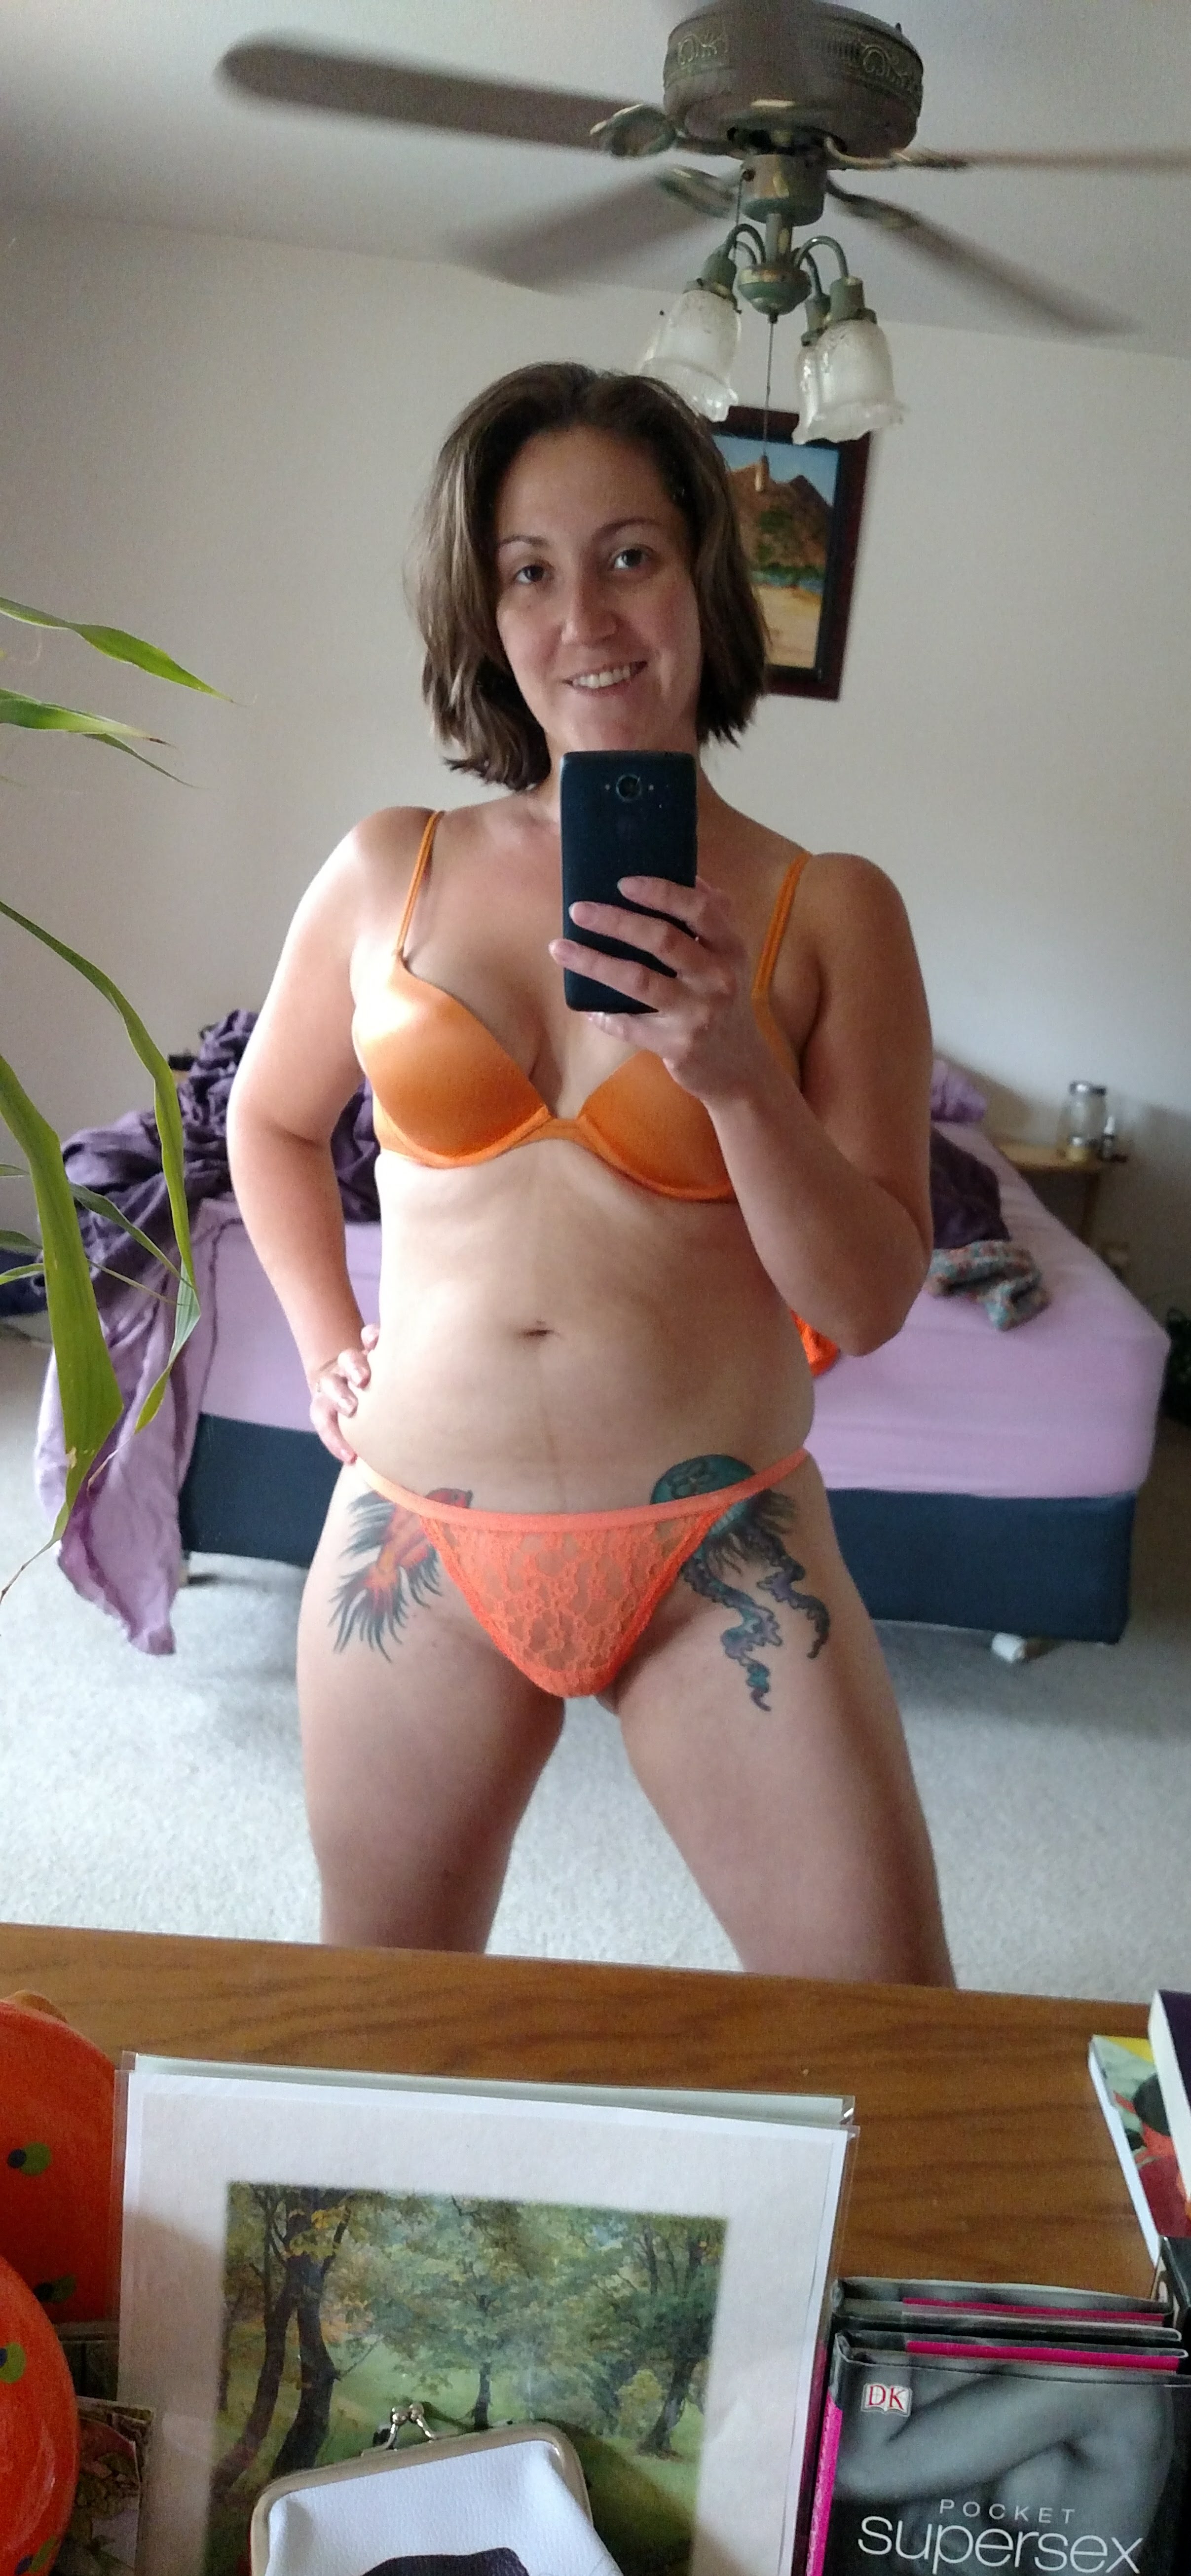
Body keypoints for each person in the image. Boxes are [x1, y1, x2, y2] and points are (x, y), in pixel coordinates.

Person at [227, 360, 952, 1984]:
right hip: (418, 1531)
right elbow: (266, 1125)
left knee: (893, 2036)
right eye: (529, 572)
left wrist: (738, 1074)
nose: (586, 618)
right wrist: (323, 1337)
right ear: (484, 612)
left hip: (720, 1549)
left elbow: (869, 1299)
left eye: (630, 555)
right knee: (386, 2035)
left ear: (703, 574)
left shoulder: (832, 909)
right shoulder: (389, 866)